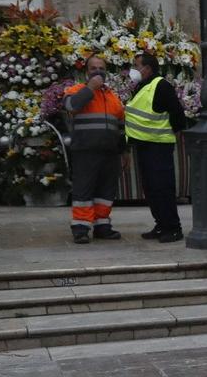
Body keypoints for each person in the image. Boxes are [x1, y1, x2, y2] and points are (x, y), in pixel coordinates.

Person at [124, 51, 190, 242]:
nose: (133, 70)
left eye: (136, 66)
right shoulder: (142, 86)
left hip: (159, 147)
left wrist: (174, 134)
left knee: (162, 188)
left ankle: (173, 228)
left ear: (147, 68)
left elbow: (177, 115)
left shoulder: (161, 85)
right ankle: (161, 225)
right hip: (145, 145)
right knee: (151, 188)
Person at [59, 54, 125, 243]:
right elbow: (71, 106)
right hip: (85, 151)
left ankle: (102, 226)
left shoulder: (112, 96)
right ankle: (80, 228)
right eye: (93, 68)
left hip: (109, 152)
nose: (98, 72)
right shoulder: (76, 90)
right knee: (83, 190)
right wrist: (90, 89)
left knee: (106, 191)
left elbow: (120, 125)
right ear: (86, 72)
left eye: (102, 69)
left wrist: (124, 151)